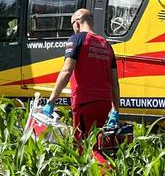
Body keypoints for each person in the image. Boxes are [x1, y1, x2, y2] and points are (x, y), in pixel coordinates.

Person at [43, 9, 121, 147]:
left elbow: (67, 71)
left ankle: (102, 168)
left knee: (82, 146)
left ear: (77, 23)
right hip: (104, 103)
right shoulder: (107, 45)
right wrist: (115, 111)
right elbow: (115, 83)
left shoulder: (77, 39)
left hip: (85, 102)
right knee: (98, 143)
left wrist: (51, 101)